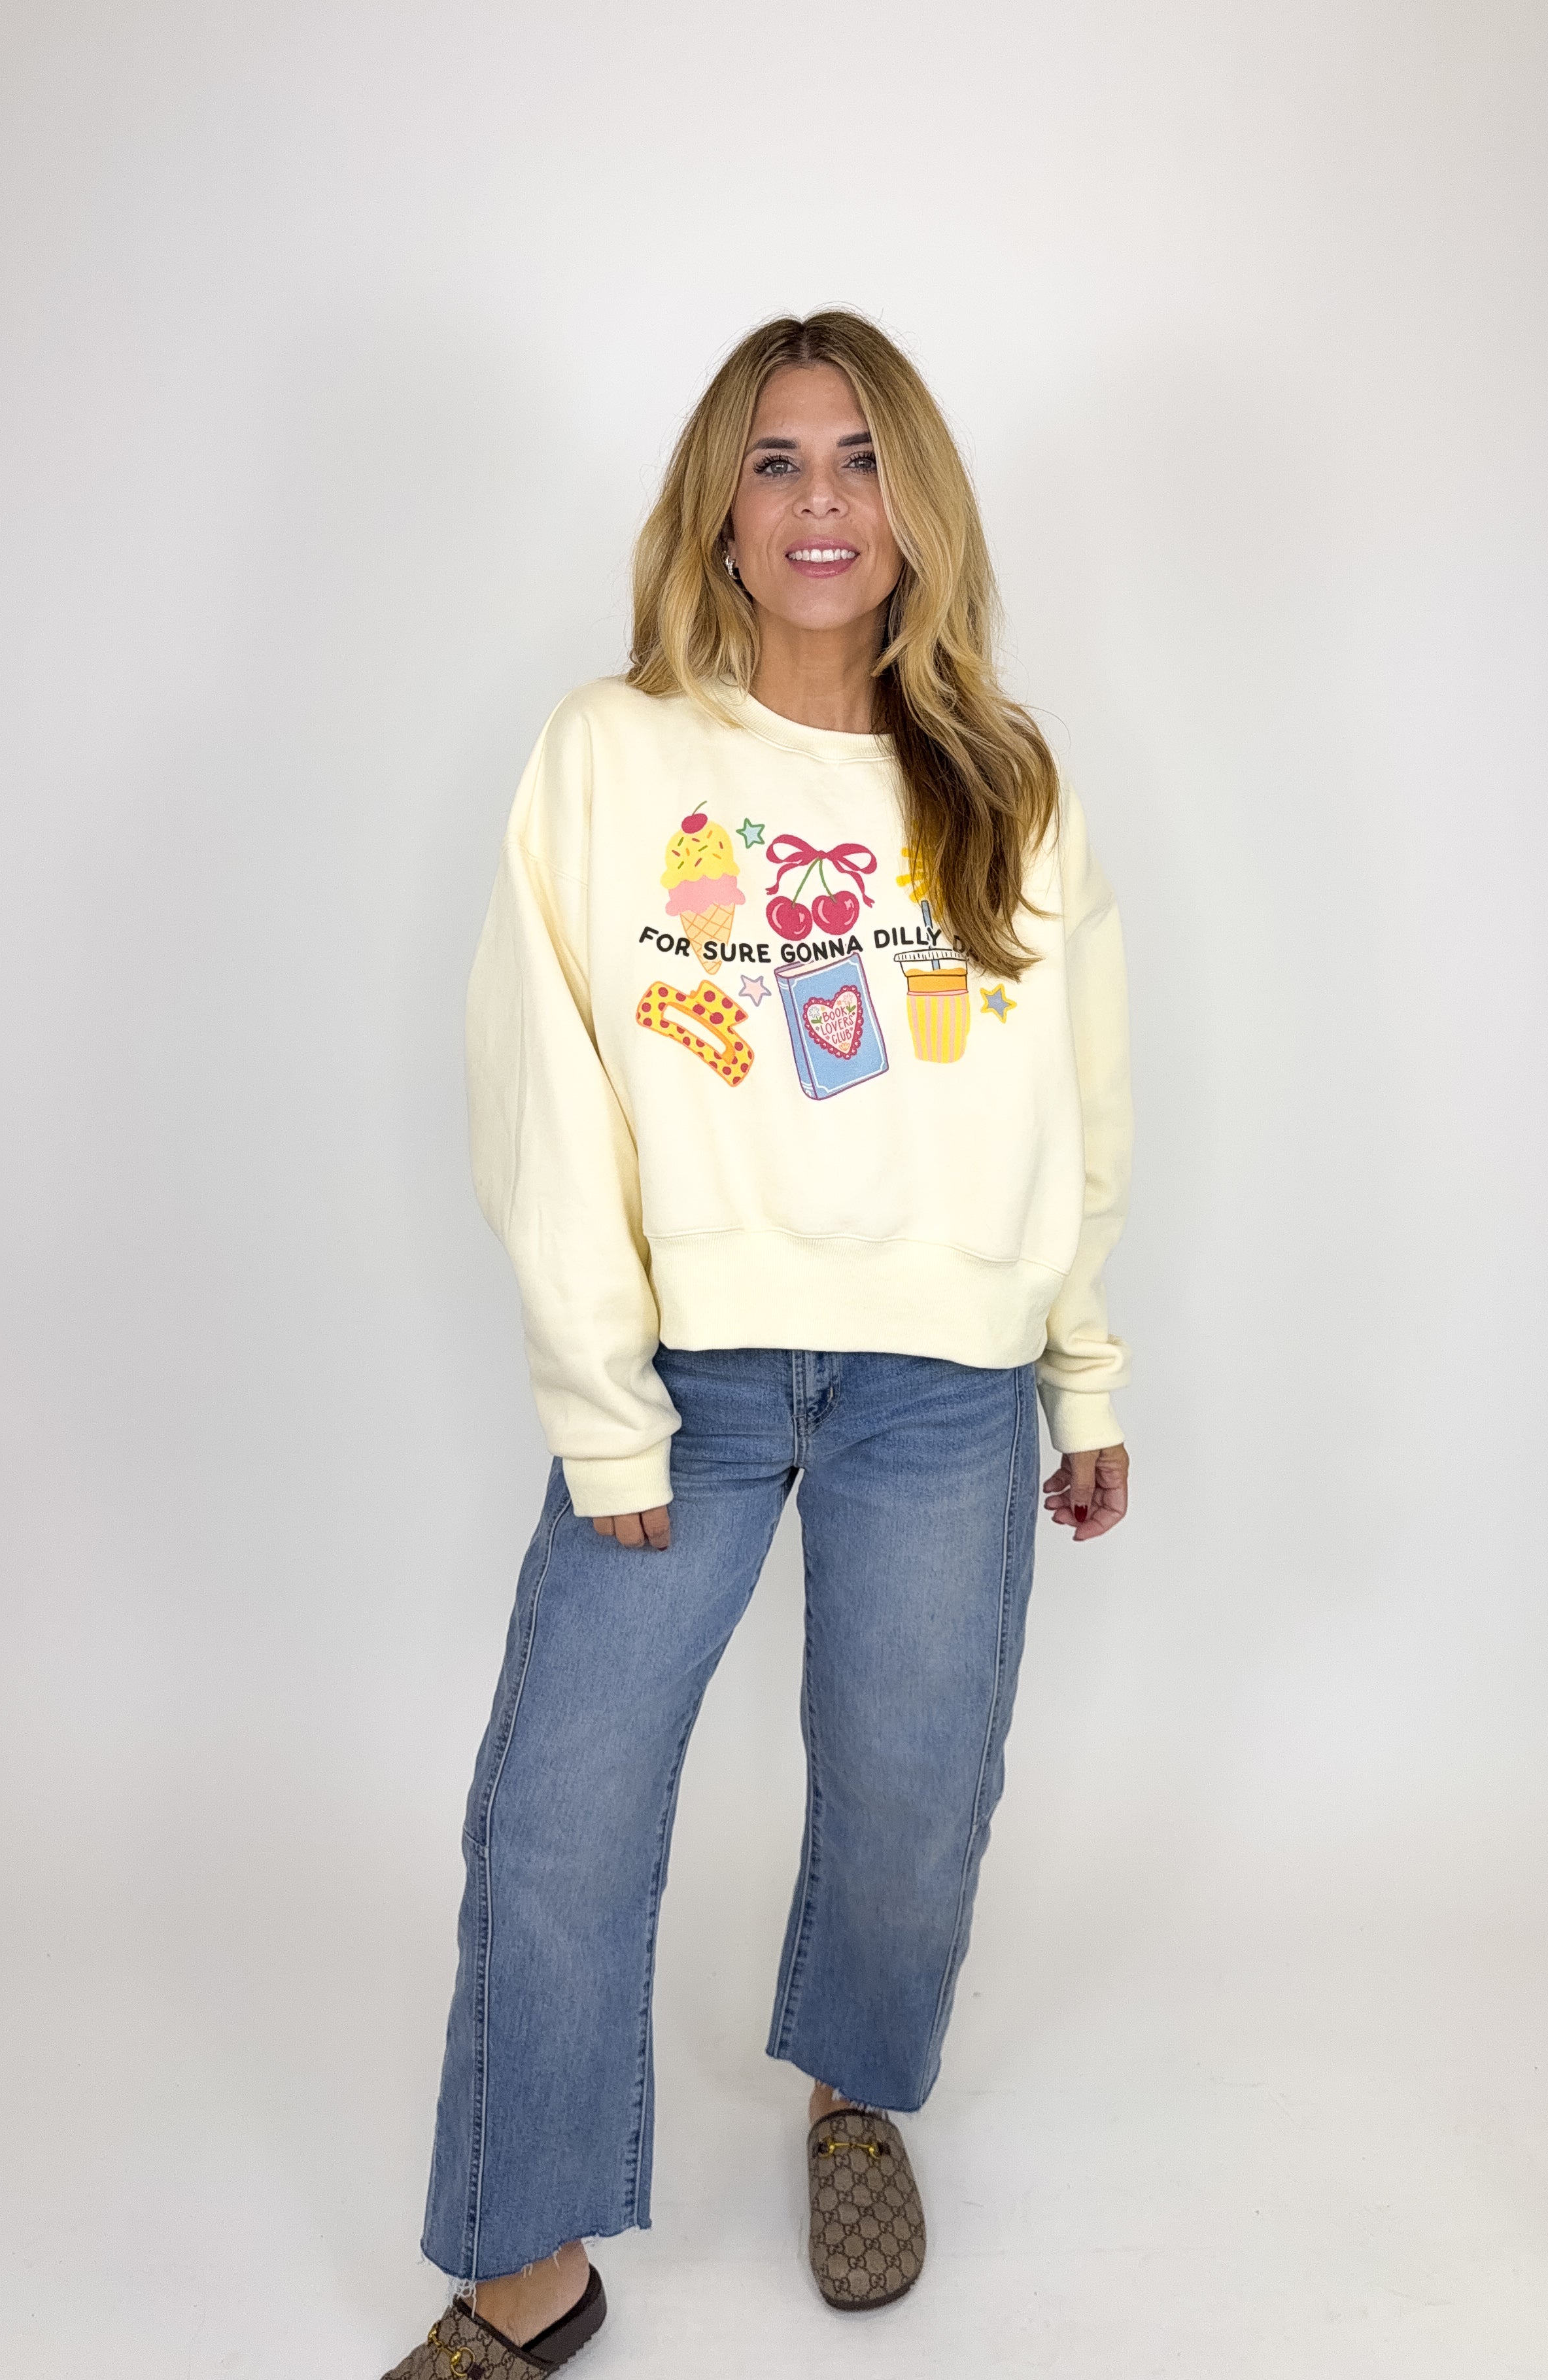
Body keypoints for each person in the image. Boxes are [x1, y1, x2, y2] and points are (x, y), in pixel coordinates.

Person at [382, 309, 1133, 2379]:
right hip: (687, 1379)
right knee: (555, 1817)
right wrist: (599, 1407)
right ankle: (524, 2263)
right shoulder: (612, 752)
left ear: (917, 510)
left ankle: (851, 2095)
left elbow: (1074, 1099)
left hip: (942, 1384)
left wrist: (1077, 1370)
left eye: (863, 459)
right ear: (718, 510)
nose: (822, 502)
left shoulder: (1006, 777)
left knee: (911, 1797)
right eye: (779, 459)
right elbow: (540, 1087)